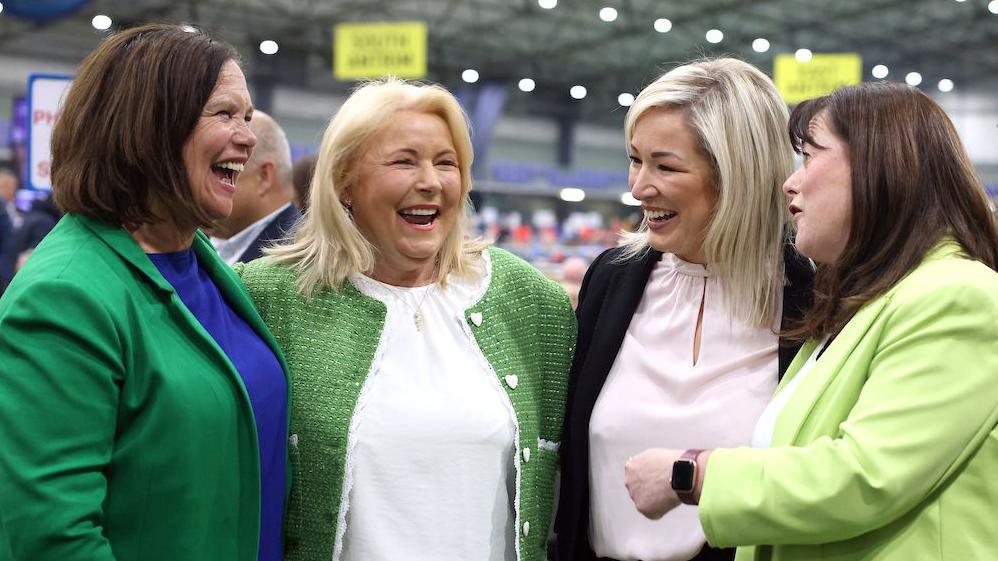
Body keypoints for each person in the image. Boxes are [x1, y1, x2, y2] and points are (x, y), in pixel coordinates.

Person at [624, 81, 998, 561]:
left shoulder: (957, 298)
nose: (789, 182)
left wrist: (691, 473)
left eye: (809, 157)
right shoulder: (863, 304)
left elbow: (864, 476)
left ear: (878, 168)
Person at [236, 77, 576, 561]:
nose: (431, 182)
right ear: (344, 182)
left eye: (446, 162)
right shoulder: (271, 297)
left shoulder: (530, 302)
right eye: (404, 161)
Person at [0, 24, 291, 561]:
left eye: (247, 118)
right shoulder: (64, 297)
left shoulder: (202, 265)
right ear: (147, 126)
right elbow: (51, 537)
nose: (248, 138)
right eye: (225, 114)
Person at [555, 58, 814, 561]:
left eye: (665, 166)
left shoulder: (812, 297)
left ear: (737, 176)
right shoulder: (611, 280)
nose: (638, 187)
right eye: (636, 159)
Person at [210, 110, 301, 265]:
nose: (204, 182)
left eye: (224, 170)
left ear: (264, 176)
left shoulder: (297, 258)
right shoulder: (198, 243)